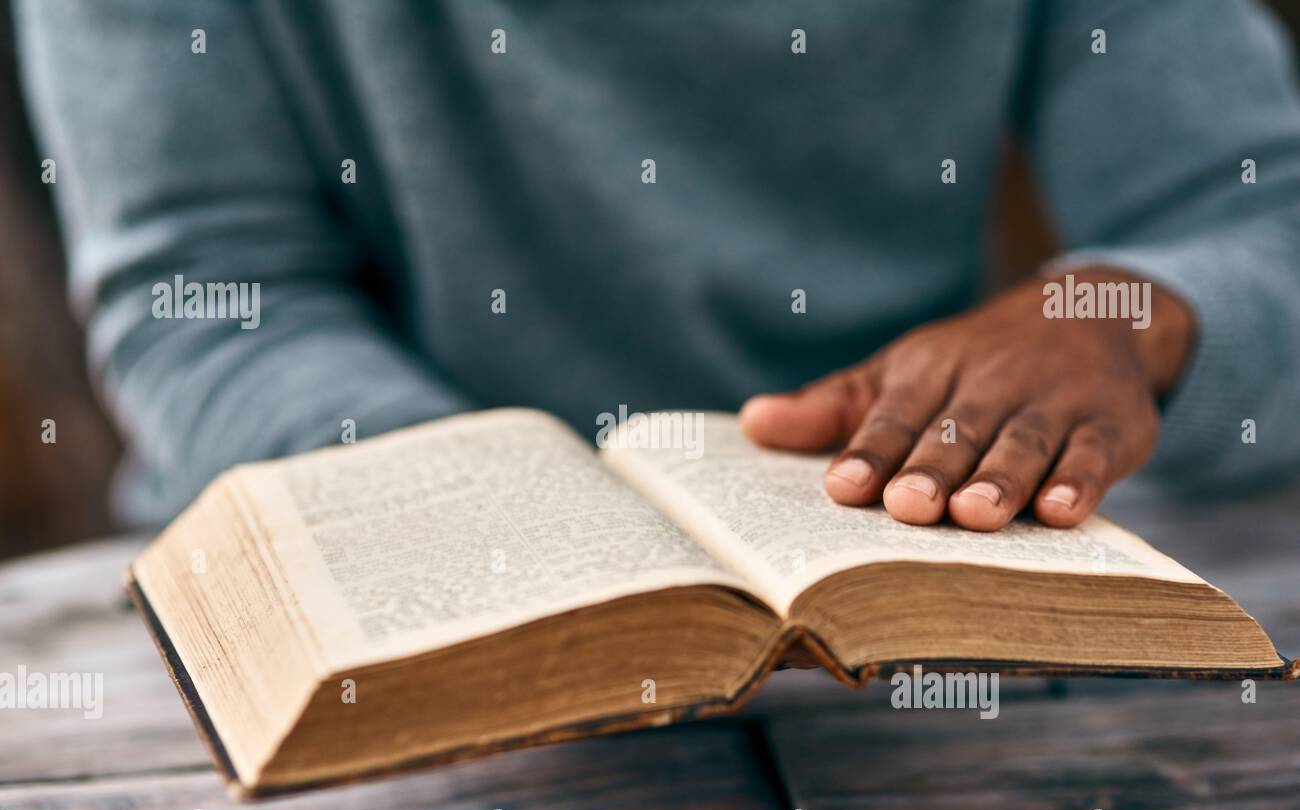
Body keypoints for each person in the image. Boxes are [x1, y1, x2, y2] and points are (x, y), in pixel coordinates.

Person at [16, 0, 1300, 531]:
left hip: (896, 572)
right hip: (350, 573)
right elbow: (208, 300)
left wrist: (1116, 317)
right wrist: (507, 512)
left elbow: (1254, 211)